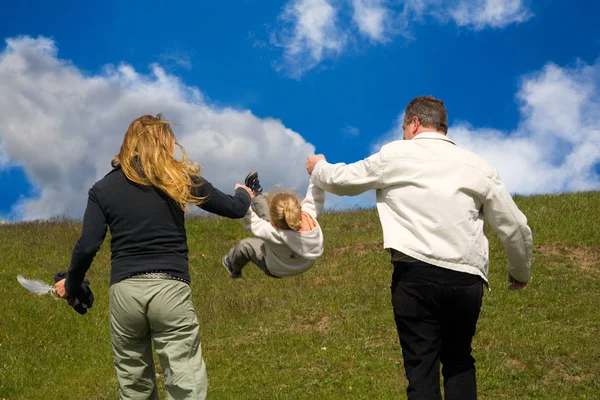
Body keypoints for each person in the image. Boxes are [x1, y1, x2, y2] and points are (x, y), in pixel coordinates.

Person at [305, 96, 533, 400]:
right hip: (466, 279)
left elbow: (343, 181)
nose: (402, 134)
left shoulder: (396, 155)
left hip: (415, 276)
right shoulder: (480, 167)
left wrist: (318, 167)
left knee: (421, 366)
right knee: (459, 361)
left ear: (414, 123)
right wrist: (520, 271)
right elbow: (514, 225)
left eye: (402, 128)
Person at [54, 114, 253, 400]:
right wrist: (244, 193)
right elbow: (234, 208)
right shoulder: (177, 177)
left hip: (125, 294)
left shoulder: (102, 189)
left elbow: (86, 246)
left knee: (134, 386)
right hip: (170, 288)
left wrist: (72, 285)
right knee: (185, 380)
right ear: (166, 142)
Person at [222, 171, 325, 279]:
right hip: (306, 264)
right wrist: (317, 170)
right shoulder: (309, 217)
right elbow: (315, 196)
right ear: (298, 209)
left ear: (274, 221)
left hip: (277, 270)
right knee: (267, 223)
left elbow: (250, 220)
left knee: (245, 245)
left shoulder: (273, 232)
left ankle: (232, 266)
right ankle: (257, 193)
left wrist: (242, 196)